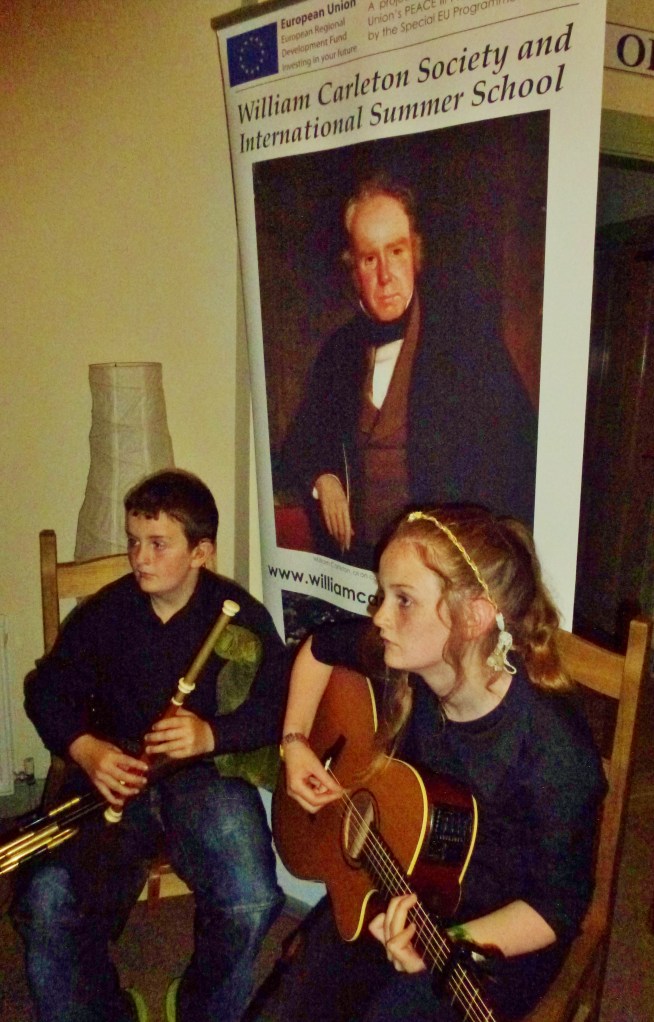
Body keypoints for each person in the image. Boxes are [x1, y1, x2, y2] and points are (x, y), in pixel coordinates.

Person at [274, 505, 606, 1021]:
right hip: (403, 874)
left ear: (473, 617)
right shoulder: (403, 660)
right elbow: (319, 648)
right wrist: (294, 741)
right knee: (291, 1008)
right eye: (383, 594)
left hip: (496, 933)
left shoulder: (555, 752)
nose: (380, 615)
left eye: (403, 600)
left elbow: (555, 910)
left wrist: (444, 944)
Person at [11, 469, 288, 1022]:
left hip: (202, 776)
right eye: (135, 541)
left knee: (251, 900)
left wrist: (212, 734)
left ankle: (203, 1009)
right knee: (44, 905)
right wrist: (86, 749)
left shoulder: (238, 613)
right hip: (113, 773)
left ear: (200, 552)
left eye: (158, 544)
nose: (139, 557)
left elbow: (278, 706)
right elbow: (46, 689)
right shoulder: (108, 612)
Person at [277, 177, 538, 568]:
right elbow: (301, 440)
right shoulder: (339, 350)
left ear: (415, 254)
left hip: (439, 568)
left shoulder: (467, 343)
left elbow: (515, 460)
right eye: (370, 258)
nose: (385, 276)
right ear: (354, 270)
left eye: (396, 252)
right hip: (356, 562)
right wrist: (323, 479)